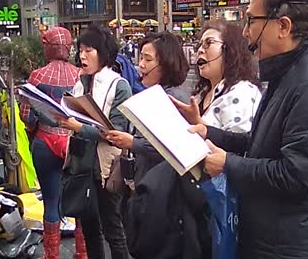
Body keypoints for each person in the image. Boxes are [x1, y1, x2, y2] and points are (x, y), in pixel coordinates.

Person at [188, 0, 308, 258]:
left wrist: (228, 163)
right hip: (270, 238)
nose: (247, 33)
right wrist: (208, 132)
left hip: (287, 247)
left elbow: (300, 176)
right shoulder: (287, 75)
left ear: (282, 26)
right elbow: (261, 143)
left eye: (251, 21)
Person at [55, 24, 132, 259]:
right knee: (88, 228)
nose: (82, 55)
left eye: (89, 50)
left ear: (103, 52)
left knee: (113, 228)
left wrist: (80, 127)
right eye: (80, 50)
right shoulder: (81, 83)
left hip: (106, 168)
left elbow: (116, 133)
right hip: (81, 164)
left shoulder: (118, 85)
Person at [19, 27, 87, 259]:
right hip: (75, 143)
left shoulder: (38, 76)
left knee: (50, 201)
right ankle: (82, 254)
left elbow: (26, 116)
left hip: (46, 140)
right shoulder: (81, 75)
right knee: (81, 200)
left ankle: (52, 256)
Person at [107, 31, 190, 185]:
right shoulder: (154, 93)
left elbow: (169, 147)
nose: (141, 65)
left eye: (148, 59)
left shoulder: (173, 98)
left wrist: (132, 142)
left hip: (164, 187)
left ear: (166, 64)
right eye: (141, 57)